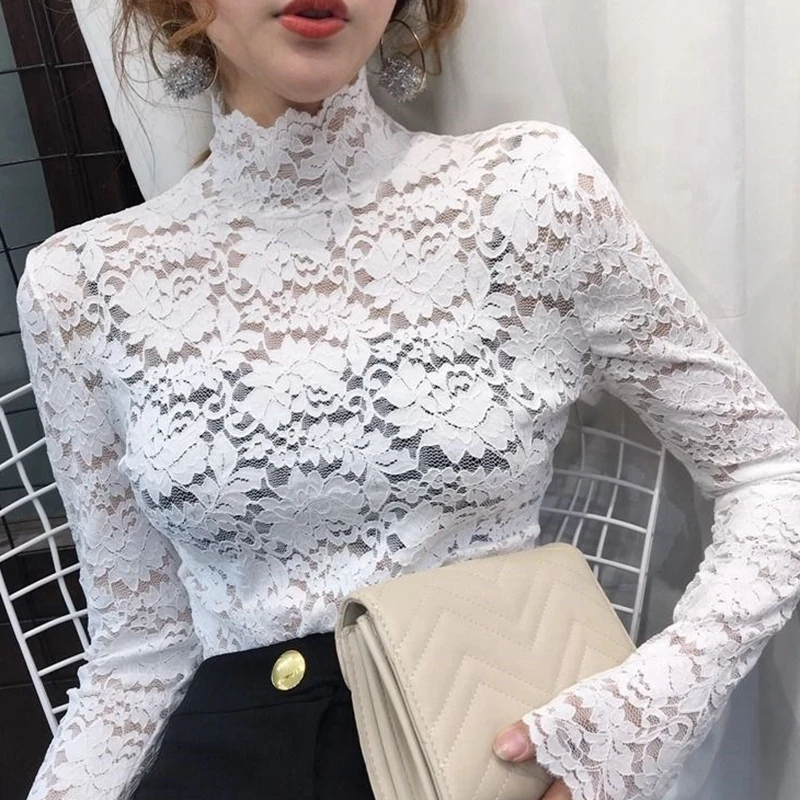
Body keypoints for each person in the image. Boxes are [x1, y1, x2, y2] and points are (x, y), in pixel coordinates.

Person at [15, 0, 800, 798]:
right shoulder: (81, 285)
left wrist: (648, 713)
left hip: (486, 754)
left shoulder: (526, 195)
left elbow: (771, 471)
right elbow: (138, 652)